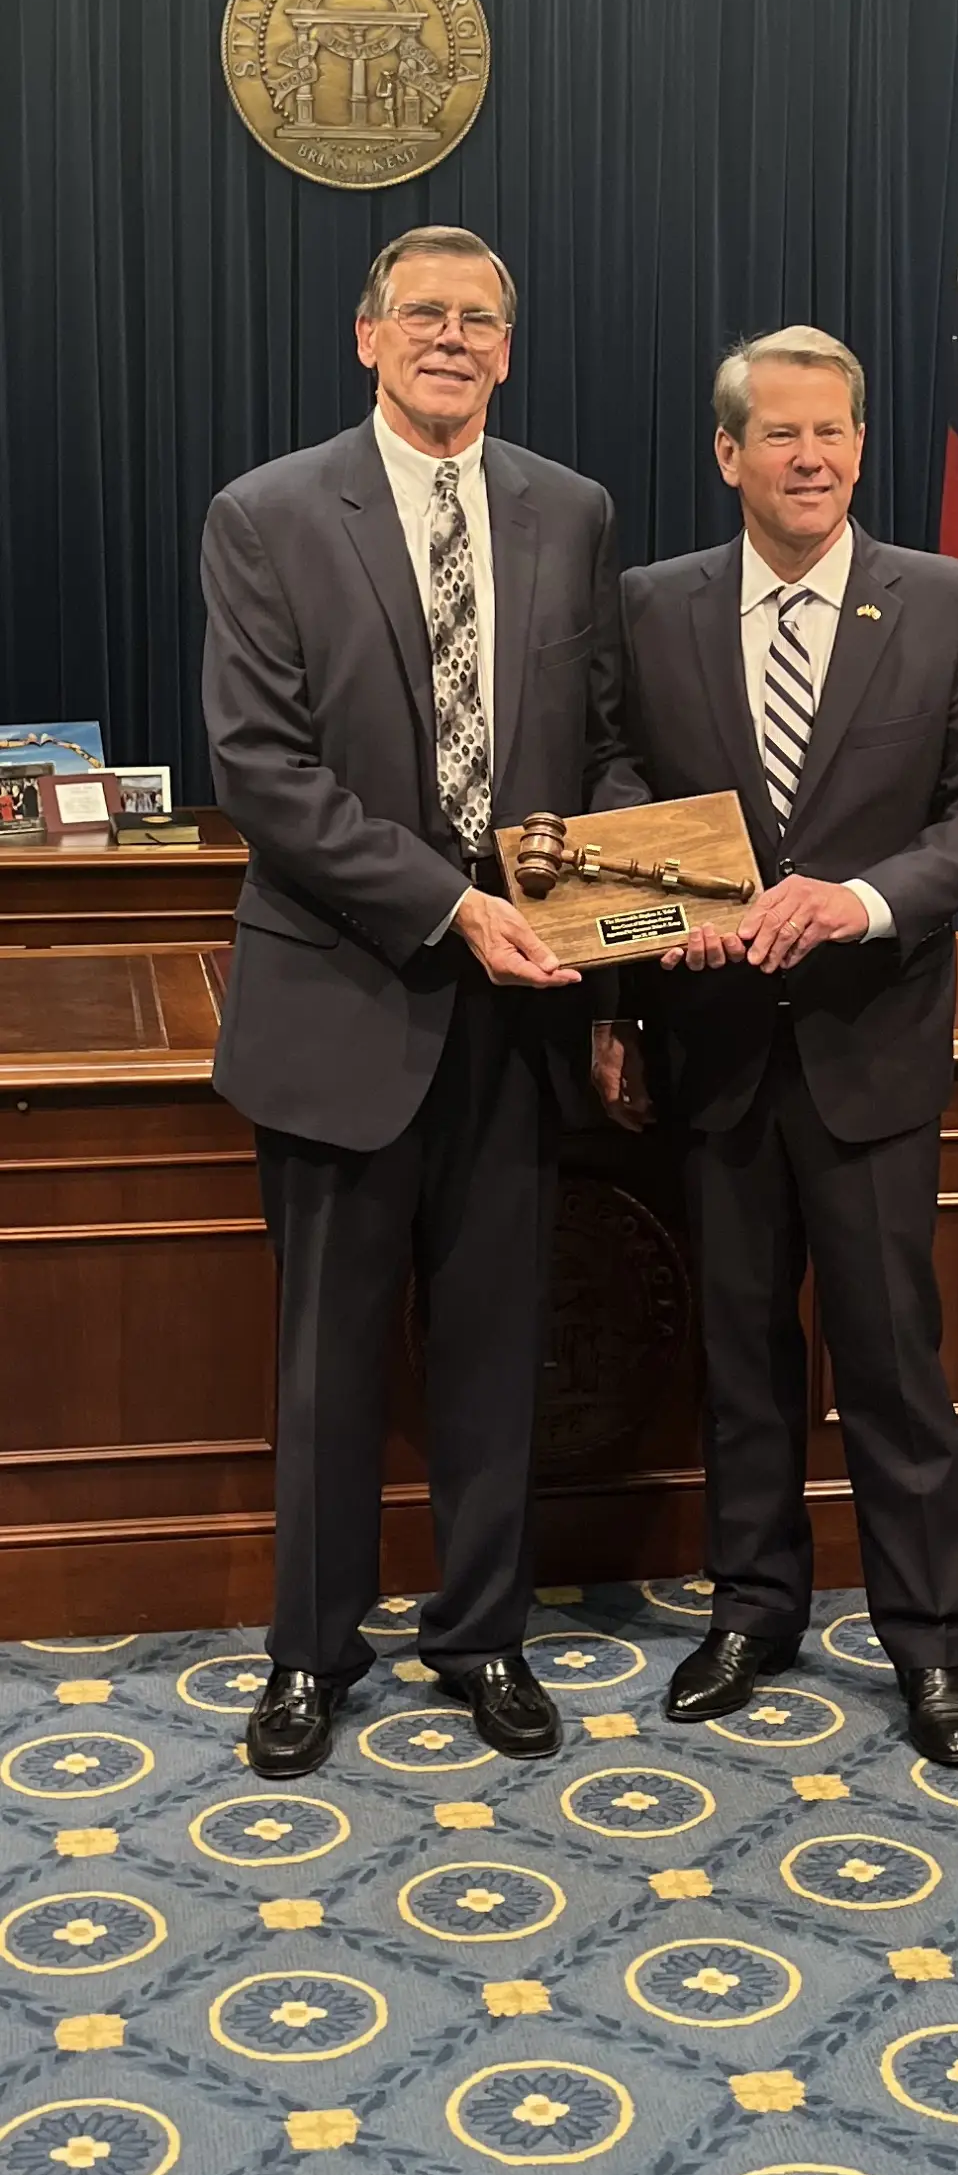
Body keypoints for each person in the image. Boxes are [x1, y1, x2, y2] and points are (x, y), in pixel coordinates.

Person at [201, 225, 643, 1777]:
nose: (450, 338)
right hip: (343, 1000)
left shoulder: (570, 513)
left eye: (479, 320)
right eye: (422, 315)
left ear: (507, 351)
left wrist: (603, 927)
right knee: (325, 1358)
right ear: (367, 336)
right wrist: (452, 906)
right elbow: (260, 770)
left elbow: (601, 752)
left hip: (517, 1017)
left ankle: (482, 1635)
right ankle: (311, 1656)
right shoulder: (264, 513)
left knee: (494, 1342)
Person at [605, 325, 958, 1767]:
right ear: (726, 454)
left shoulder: (949, 602)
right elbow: (614, 779)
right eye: (778, 434)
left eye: (832, 433)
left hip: (869, 1047)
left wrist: (851, 903)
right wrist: (672, 912)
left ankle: (927, 1644)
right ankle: (752, 1606)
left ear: (859, 445)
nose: (809, 458)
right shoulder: (652, 608)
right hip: (714, 1044)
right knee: (739, 1354)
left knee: (890, 1361)